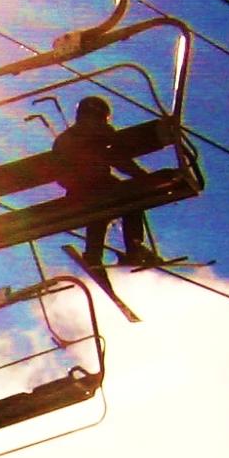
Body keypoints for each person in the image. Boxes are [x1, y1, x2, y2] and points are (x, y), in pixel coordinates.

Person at [51, 95, 151, 323]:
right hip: (97, 189)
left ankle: (93, 254)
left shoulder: (65, 137)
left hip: (77, 195)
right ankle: (134, 246)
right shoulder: (100, 132)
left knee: (100, 210)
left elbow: (58, 172)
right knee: (130, 195)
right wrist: (141, 176)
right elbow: (118, 158)